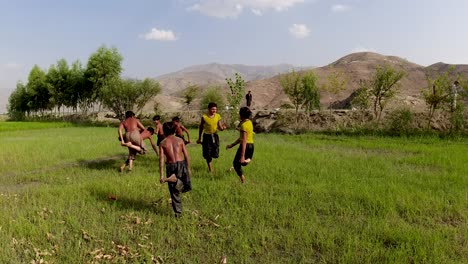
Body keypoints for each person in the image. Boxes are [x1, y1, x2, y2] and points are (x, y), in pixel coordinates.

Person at [159, 121, 192, 217]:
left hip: (170, 165)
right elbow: (186, 155)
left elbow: (161, 159)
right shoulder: (180, 140)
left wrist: (161, 175)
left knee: (174, 191)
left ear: (164, 131)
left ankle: (178, 212)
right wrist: (188, 168)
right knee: (185, 185)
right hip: (181, 164)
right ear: (174, 130)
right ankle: (178, 213)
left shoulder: (163, 143)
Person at [226, 107, 254, 183]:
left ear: (241, 115)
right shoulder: (249, 122)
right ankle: (248, 159)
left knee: (236, 164)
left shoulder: (244, 125)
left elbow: (244, 140)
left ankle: (243, 180)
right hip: (251, 145)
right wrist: (232, 145)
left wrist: (242, 155)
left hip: (245, 146)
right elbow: (241, 138)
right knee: (241, 163)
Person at [196, 102, 227, 173]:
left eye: (215, 109)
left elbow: (219, 127)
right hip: (207, 136)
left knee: (215, 154)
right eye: (213, 109)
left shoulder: (217, 116)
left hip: (215, 135)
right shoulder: (204, 117)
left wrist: (222, 128)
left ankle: (206, 147)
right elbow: (201, 128)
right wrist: (199, 137)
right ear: (209, 109)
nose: (214, 111)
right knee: (207, 153)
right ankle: (210, 169)